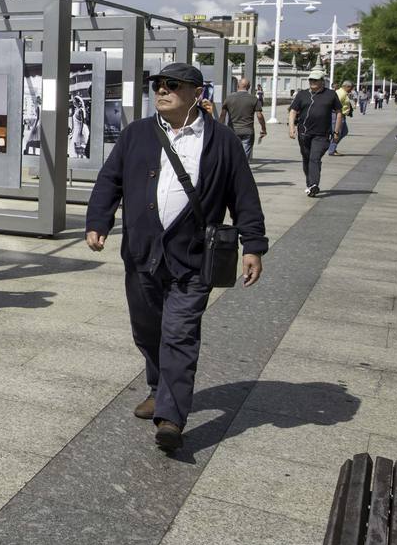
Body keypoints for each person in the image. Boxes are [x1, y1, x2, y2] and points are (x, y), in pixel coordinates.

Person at [85, 62, 266, 453]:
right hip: (142, 254)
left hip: (194, 257)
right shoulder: (136, 134)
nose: (161, 90)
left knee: (179, 334)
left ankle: (170, 416)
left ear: (196, 93)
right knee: (147, 331)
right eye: (157, 84)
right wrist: (98, 220)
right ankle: (158, 388)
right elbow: (109, 180)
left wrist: (253, 245)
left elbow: (244, 196)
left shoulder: (223, 142)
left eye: (172, 85)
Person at [288, 70, 340, 197]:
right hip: (304, 133)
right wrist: (291, 128)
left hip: (322, 134)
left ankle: (314, 184)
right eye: (311, 80)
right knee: (307, 159)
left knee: (314, 158)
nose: (312, 82)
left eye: (315, 80)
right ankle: (310, 184)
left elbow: (339, 112)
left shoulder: (331, 94)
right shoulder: (302, 94)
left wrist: (337, 131)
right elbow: (293, 111)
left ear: (322, 81)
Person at [219, 78, 266, 160]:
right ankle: (241, 170)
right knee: (244, 158)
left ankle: (233, 170)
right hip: (248, 131)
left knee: (232, 154)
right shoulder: (253, 99)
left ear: (237, 86)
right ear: (249, 87)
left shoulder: (229, 98)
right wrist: (263, 129)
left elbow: (223, 115)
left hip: (232, 131)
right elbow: (259, 116)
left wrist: (219, 129)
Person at [328, 79, 354, 156]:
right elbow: (333, 104)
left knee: (344, 131)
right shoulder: (341, 93)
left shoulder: (342, 92)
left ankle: (332, 146)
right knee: (337, 133)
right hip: (338, 115)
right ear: (347, 87)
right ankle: (332, 149)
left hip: (341, 115)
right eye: (351, 88)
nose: (351, 90)